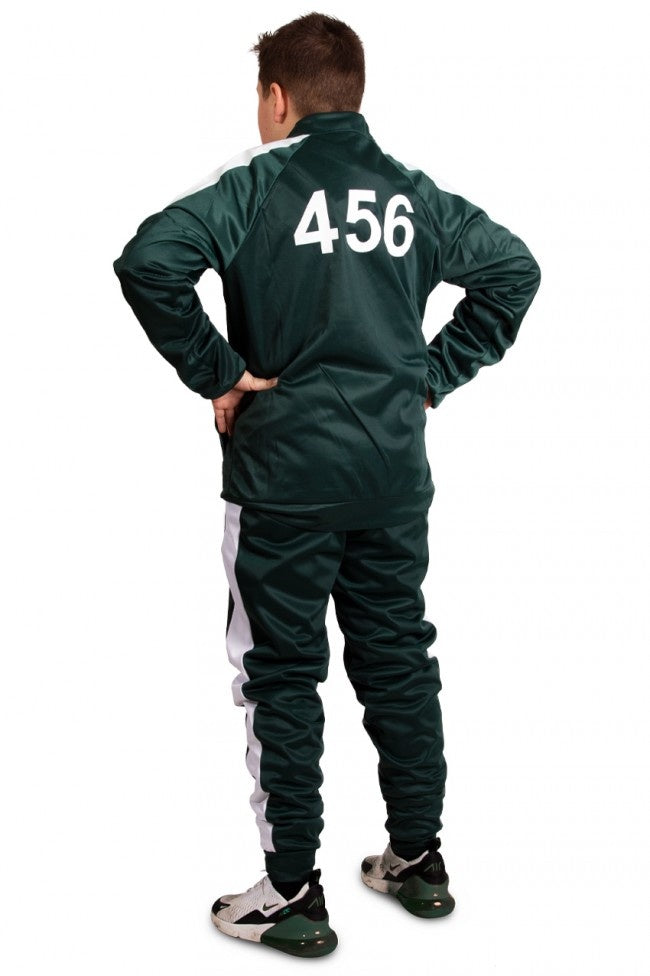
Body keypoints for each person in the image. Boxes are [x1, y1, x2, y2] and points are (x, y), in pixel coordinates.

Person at [113, 12, 541, 958]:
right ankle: (418, 859)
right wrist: (427, 377)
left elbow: (149, 260)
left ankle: (293, 892)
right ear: (355, 92)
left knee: (279, 673)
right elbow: (514, 270)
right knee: (397, 658)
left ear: (277, 98)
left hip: (283, 483)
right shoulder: (411, 195)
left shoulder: (257, 185)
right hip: (391, 477)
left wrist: (219, 373)